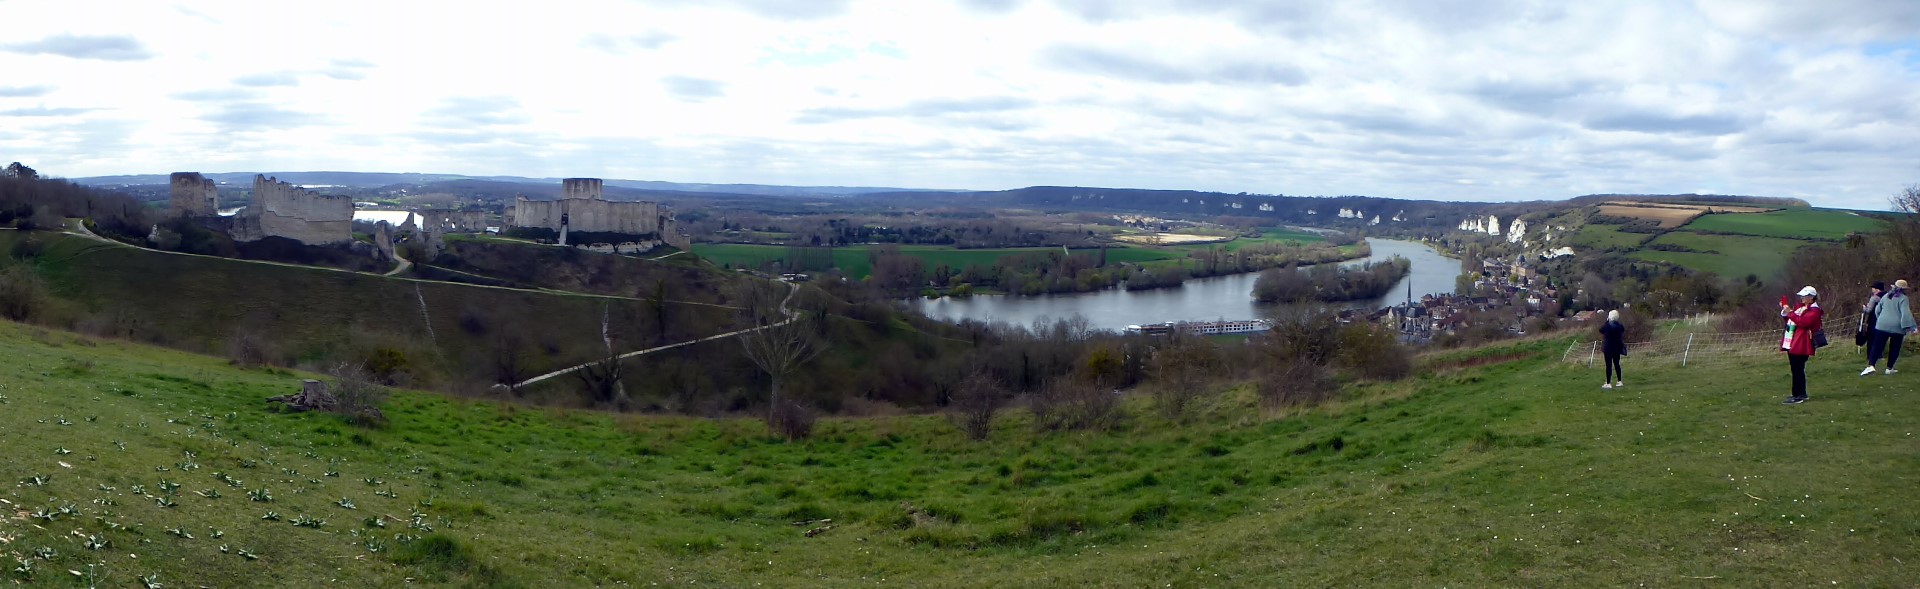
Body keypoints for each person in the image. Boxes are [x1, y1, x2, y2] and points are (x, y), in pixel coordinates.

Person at [1863, 279, 1918, 376]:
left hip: (1882, 324)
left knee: (1877, 346)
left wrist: (1881, 318)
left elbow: (1877, 309)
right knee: (1895, 347)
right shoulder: (1903, 298)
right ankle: (1889, 368)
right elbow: (1905, 313)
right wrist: (1912, 327)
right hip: (1897, 327)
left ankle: (1871, 366)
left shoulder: (1886, 296)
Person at [1780, 286, 1824, 405]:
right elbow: (1793, 321)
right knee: (1796, 369)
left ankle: (1799, 395)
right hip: (1794, 341)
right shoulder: (1802, 308)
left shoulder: (1815, 311)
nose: (1802, 298)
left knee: (1798, 369)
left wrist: (1790, 312)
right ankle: (1798, 393)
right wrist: (1786, 313)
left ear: (1811, 297)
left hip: (1802, 342)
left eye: (1804, 296)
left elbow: (1803, 322)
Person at [1599, 310, 1626, 389]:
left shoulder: (1607, 326)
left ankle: (1608, 383)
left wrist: (1607, 321)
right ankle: (1619, 381)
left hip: (1608, 348)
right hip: (1617, 347)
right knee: (1617, 364)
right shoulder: (1619, 326)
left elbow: (1600, 330)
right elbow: (1623, 329)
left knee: (1608, 365)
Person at [1857, 281, 1885, 348]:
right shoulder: (1887, 297)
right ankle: (1880, 354)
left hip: (1874, 320)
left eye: (1873, 288)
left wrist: (1864, 308)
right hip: (1884, 320)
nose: (1872, 289)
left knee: (1872, 337)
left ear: (1877, 289)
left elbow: (1868, 310)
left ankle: (1871, 354)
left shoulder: (1874, 298)